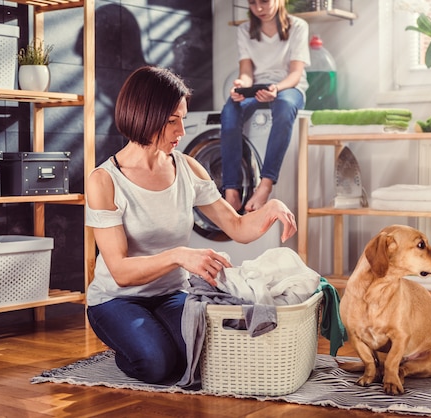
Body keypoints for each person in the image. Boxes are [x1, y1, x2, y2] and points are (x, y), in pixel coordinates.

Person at [84, 65, 297, 384]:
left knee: (204, 358)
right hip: (116, 298)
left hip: (171, 293)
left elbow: (237, 227)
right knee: (156, 364)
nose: (181, 131)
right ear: (144, 116)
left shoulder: (187, 168)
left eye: (183, 118)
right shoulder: (105, 181)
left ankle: (154, 335)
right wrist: (179, 256)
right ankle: (130, 344)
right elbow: (120, 272)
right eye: (172, 121)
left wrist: (272, 208)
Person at [221, 0, 310, 212]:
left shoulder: (298, 26)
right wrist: (241, 85)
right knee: (230, 109)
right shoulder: (245, 30)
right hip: (257, 86)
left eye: (264, 1)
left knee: (285, 106)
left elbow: (296, 74)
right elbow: (246, 72)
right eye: (252, 3)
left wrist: (276, 89)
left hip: (289, 87)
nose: (259, 8)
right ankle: (231, 191)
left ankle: (265, 186)